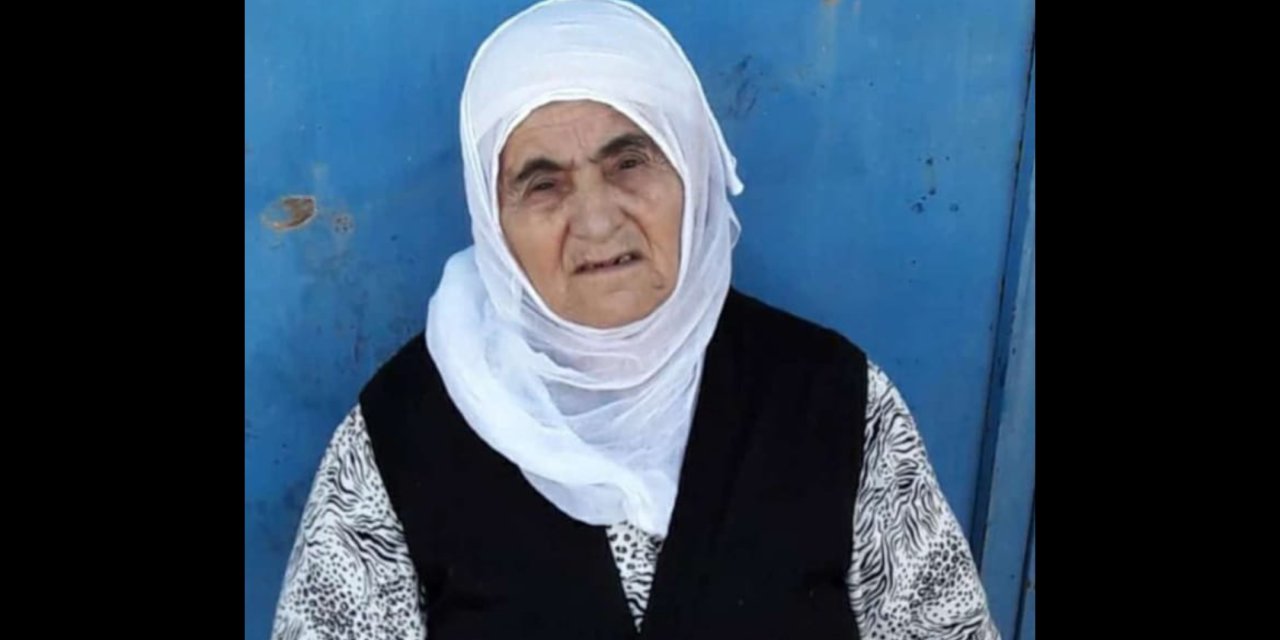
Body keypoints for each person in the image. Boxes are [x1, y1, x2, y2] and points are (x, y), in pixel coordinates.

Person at [271, 1, 1000, 638]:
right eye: (543, 184)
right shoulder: (400, 437)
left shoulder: (836, 404)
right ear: (493, 223)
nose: (596, 220)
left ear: (693, 173)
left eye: (629, 163)